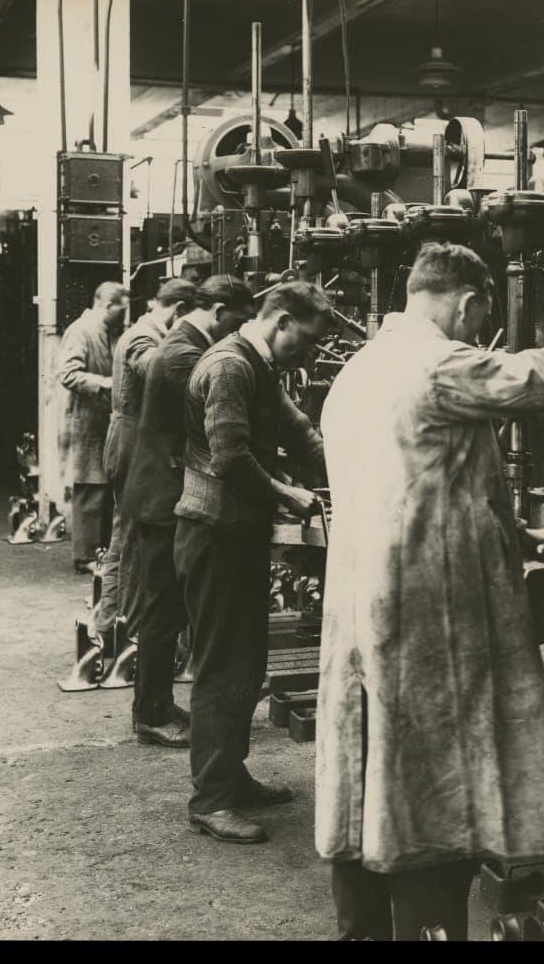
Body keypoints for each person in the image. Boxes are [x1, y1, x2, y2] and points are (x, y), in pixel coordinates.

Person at [315, 240, 544, 940]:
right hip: (425, 617)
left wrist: (506, 529)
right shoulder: (439, 364)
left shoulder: (357, 371)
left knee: (368, 787)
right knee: (434, 803)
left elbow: (412, 480)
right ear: (472, 302)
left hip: (364, 605)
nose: (480, 332)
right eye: (482, 319)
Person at [175, 280, 333, 843]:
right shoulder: (229, 368)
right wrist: (288, 494)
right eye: (306, 343)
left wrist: (344, 472)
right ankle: (211, 799)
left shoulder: (261, 367)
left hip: (237, 532)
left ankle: (231, 776)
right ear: (282, 321)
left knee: (246, 661)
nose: (309, 356)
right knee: (222, 665)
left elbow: (300, 432)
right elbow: (230, 457)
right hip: (214, 532)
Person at [124, 275, 256, 748]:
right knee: (163, 610)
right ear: (219, 312)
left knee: (168, 608)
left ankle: (156, 705)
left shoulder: (184, 343)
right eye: (237, 321)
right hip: (161, 495)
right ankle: (151, 714)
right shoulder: (184, 355)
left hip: (161, 488)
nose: (238, 331)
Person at [95, 278, 199, 650]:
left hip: (133, 442)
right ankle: (117, 630)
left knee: (128, 539)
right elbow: (160, 370)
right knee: (128, 541)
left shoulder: (144, 331)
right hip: (131, 444)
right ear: (180, 311)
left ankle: (115, 627)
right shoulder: (143, 338)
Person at [57, 281, 129, 573]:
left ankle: (98, 552)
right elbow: (68, 373)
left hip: (103, 422)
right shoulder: (81, 330)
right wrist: (105, 384)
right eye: (122, 309)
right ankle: (85, 556)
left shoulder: (109, 333)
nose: (125, 316)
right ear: (107, 305)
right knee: (90, 489)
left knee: (104, 488)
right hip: (86, 422)